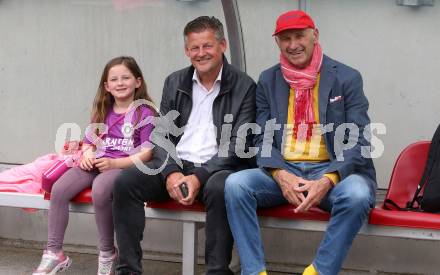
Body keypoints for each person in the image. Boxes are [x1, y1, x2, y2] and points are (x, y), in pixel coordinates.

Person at [224, 10, 376, 275]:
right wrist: (281, 175)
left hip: (330, 171)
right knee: (236, 185)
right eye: (285, 38)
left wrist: (328, 179)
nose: (293, 45)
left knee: (358, 194)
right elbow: (262, 136)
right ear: (278, 43)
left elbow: (358, 139)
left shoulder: (347, 78)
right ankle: (254, 270)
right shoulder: (268, 80)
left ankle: (319, 271)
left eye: (299, 36)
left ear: (314, 35)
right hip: (284, 170)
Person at [112, 16, 256, 275]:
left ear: (222, 45)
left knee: (221, 186)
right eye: (194, 48)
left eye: (207, 46)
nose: (201, 54)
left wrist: (198, 176)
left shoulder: (244, 86)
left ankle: (216, 270)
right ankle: (128, 270)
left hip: (215, 169)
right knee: (126, 182)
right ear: (186, 51)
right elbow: (161, 134)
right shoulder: (175, 81)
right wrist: (172, 173)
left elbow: (238, 144)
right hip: (175, 165)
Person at [33, 56, 156, 275]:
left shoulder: (144, 113)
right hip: (96, 162)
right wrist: (88, 154)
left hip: (122, 165)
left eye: (125, 78)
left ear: (138, 81)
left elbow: (147, 153)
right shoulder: (102, 109)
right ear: (107, 86)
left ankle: (108, 252)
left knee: (100, 190)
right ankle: (54, 253)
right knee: (59, 189)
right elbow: (89, 141)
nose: (120, 83)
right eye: (114, 79)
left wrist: (116, 162)